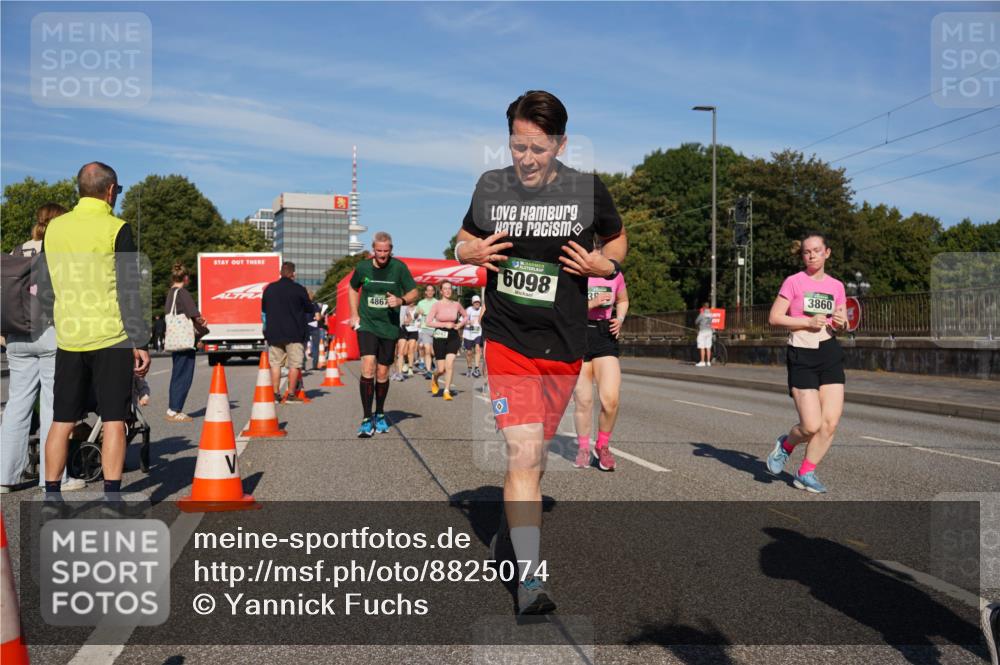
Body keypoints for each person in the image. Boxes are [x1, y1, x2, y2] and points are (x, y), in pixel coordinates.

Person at [454, 90, 627, 614]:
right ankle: (529, 579)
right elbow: (463, 238)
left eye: (538, 148)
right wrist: (468, 251)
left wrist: (605, 266)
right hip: (508, 340)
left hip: (565, 345)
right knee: (525, 453)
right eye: (517, 146)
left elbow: (617, 241)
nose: (526, 159)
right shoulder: (492, 186)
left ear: (561, 144)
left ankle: (512, 532)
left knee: (535, 457)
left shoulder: (587, 190)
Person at [40, 162, 150, 502]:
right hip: (111, 336)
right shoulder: (117, 228)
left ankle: (52, 497)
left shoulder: (54, 228)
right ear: (111, 190)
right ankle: (112, 499)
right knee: (114, 419)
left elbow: (44, 285)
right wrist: (139, 340)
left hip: (70, 337)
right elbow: (129, 289)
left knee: (62, 420)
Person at [1, 204, 86, 493]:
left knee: (17, 405)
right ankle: (53, 477)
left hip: (17, 334)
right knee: (53, 405)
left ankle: (5, 476)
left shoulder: (16, 251)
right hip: (50, 332)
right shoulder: (61, 251)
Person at [765, 232, 848, 494]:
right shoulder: (794, 282)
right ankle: (786, 445)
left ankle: (806, 473)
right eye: (806, 252)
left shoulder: (837, 286)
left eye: (816, 250)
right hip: (801, 352)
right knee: (811, 426)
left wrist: (841, 322)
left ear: (827, 253)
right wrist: (807, 322)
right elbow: (775, 317)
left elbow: (842, 321)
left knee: (830, 423)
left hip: (829, 352)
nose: (811, 255)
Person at [349, 232, 418, 437]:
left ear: (391, 250)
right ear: (373, 249)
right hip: (367, 324)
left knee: (382, 372)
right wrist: (354, 314)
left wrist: (401, 301)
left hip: (389, 327)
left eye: (385, 251)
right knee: (368, 365)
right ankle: (366, 418)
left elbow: (414, 292)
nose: (382, 254)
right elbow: (352, 288)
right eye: (378, 250)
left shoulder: (399, 267)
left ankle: (379, 413)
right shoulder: (363, 267)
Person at [573, 270, 629, 470]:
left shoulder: (613, 273)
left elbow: (623, 300)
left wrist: (619, 319)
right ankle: (583, 448)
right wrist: (592, 303)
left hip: (605, 336)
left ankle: (602, 445)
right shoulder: (574, 272)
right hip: (577, 334)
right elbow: (562, 308)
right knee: (583, 401)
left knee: (610, 400)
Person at [262, 261, 313, 403]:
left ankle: (275, 394)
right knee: (294, 365)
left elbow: (264, 308)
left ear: (280, 273)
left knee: (275, 364)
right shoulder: (299, 289)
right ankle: (291, 395)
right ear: (293, 274)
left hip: (274, 333)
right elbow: (309, 309)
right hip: (295, 333)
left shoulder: (269, 289)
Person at [164, 263, 206, 421]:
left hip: (176, 340)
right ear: (186, 278)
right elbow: (194, 314)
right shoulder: (183, 293)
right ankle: (174, 410)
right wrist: (202, 322)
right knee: (184, 375)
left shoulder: (171, 293)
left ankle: (173, 408)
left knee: (177, 373)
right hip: (185, 341)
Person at [427, 281, 468, 401]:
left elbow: (466, 316)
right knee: (441, 369)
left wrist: (459, 324)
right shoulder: (436, 305)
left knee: (449, 364)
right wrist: (444, 324)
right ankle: (435, 376)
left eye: (450, 288)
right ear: (441, 291)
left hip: (453, 336)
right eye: (445, 289)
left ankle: (446, 390)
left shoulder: (456, 304)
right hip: (440, 335)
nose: (448, 291)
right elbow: (428, 322)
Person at [415, 284, 438, 378]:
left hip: (436, 329)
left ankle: (431, 362)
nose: (430, 292)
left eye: (431, 290)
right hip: (425, 329)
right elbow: (415, 316)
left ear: (434, 292)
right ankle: (428, 371)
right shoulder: (420, 303)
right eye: (428, 290)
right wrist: (417, 313)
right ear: (425, 292)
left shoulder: (437, 302)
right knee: (427, 350)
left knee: (433, 352)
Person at [462, 294, 485, 377]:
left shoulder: (482, 310)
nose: (477, 303)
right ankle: (469, 368)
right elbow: (462, 321)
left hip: (478, 333)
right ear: (472, 303)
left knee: (478, 349)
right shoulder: (468, 310)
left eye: (478, 302)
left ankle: (476, 368)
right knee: (469, 353)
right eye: (475, 302)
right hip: (468, 333)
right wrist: (467, 322)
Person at [306, 290, 325, 371]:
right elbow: (318, 318)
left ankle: (301, 366)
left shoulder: (301, 304)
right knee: (315, 347)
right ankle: (314, 365)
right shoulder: (314, 305)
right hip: (314, 327)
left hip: (304, 327)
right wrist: (321, 316)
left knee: (302, 346)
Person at [695, 303, 713, 367]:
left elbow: (696, 322)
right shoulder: (711, 315)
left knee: (702, 347)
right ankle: (708, 362)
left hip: (702, 331)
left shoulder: (702, 314)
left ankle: (702, 362)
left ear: (704, 307)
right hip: (709, 331)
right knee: (708, 347)